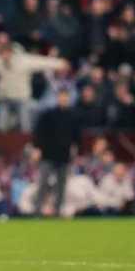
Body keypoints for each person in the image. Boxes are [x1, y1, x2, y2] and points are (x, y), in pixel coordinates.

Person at [32, 88, 80, 216]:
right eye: (61, 96)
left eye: (65, 97)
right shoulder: (49, 114)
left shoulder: (73, 116)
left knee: (61, 185)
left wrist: (75, 148)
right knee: (43, 183)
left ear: (68, 98)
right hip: (48, 154)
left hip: (64, 155)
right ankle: (37, 210)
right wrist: (37, 148)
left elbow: (76, 136)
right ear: (57, 98)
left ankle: (58, 211)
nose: (63, 99)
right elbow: (39, 132)